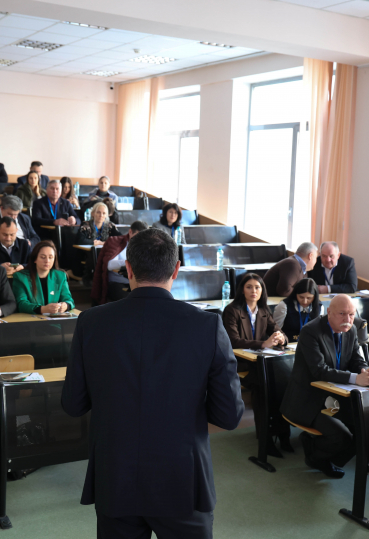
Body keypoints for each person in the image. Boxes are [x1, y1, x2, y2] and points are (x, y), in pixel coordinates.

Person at [61, 228, 244, 538]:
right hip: (183, 479)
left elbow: (73, 404)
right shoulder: (207, 326)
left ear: (128, 269)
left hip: (115, 475)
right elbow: (229, 416)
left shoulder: (91, 322)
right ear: (176, 269)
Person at [280, 294, 369, 478]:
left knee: (364, 429)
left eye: (351, 314)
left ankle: (322, 453)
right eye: (342, 314)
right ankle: (315, 457)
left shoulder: (351, 329)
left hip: (336, 395)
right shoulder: (310, 331)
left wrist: (365, 372)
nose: (348, 319)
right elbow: (319, 370)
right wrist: (355, 379)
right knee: (342, 436)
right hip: (309, 400)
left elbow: (356, 359)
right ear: (329, 312)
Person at [222, 272, 285, 349]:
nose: (254, 291)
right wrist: (263, 344)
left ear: (262, 290)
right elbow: (233, 341)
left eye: (257, 287)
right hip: (238, 355)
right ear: (242, 290)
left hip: (259, 354)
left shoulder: (264, 310)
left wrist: (281, 338)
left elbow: (276, 330)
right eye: (249, 287)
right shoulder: (231, 310)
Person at [12, 240, 75, 314]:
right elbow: (21, 304)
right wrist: (43, 309)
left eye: (50, 257)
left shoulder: (60, 275)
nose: (47, 261)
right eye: (43, 257)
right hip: (30, 319)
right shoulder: (20, 277)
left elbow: (69, 300)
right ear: (35, 259)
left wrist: (65, 305)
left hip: (55, 319)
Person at [92, 221, 147, 305]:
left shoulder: (144, 246)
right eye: (137, 236)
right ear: (130, 232)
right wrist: (129, 262)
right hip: (116, 282)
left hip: (136, 282)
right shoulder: (116, 242)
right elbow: (109, 265)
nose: (139, 240)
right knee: (131, 301)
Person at [274, 278, 322, 343]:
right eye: (301, 297)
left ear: (315, 297)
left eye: (309, 298)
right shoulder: (284, 306)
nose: (305, 301)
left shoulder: (319, 306)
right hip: (288, 343)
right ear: (296, 294)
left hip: (309, 344)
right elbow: (276, 330)